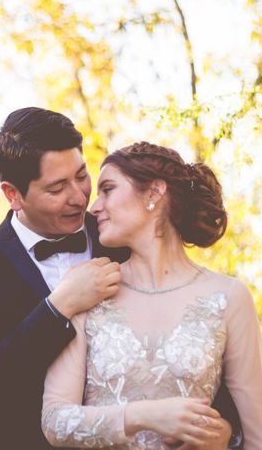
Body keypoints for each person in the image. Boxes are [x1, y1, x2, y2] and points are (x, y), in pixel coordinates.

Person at [0, 108, 240, 449]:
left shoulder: (127, 238)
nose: (80, 197)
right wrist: (57, 308)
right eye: (57, 188)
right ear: (13, 194)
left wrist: (228, 431)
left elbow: (202, 344)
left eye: (81, 176)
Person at [41, 141, 260, 448]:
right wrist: (146, 415)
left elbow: (256, 434)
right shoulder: (88, 290)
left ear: (154, 193)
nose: (94, 206)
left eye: (108, 189)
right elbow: (55, 422)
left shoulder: (228, 296)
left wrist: (222, 440)